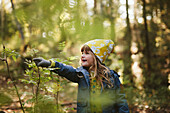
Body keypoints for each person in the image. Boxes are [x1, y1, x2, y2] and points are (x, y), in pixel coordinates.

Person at [33, 39, 129, 113]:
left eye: (87, 53)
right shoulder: (81, 74)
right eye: (82, 53)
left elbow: (121, 99)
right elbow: (66, 70)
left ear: (97, 58)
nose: (83, 55)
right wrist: (51, 64)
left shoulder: (111, 76)